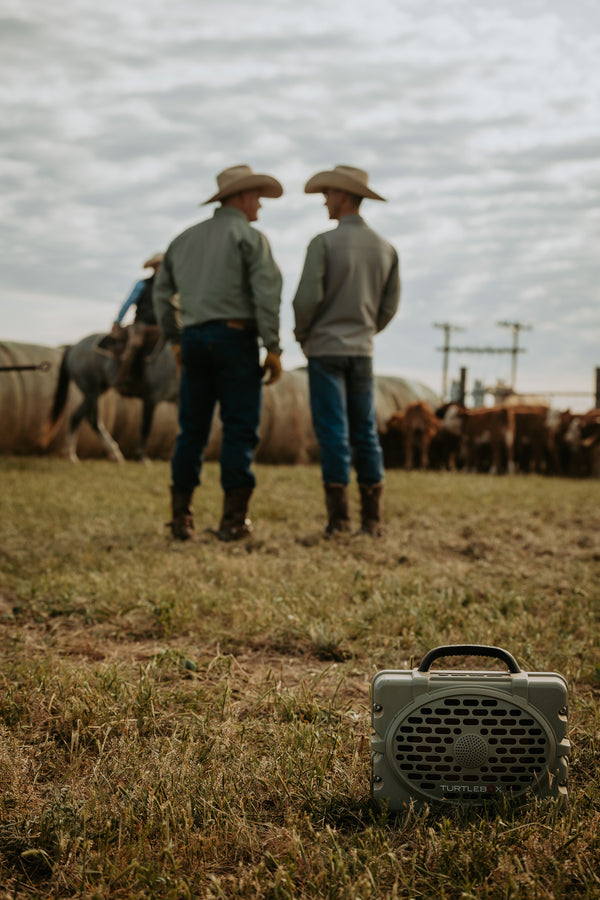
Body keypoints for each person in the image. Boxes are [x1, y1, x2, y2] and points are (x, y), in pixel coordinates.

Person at [153, 164, 284, 542]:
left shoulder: (183, 240)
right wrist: (272, 347)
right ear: (241, 197)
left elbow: (163, 295)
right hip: (235, 340)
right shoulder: (250, 238)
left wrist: (175, 338)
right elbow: (266, 295)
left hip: (193, 340)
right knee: (240, 428)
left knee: (190, 429)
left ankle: (181, 520)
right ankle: (233, 522)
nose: (260, 203)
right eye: (257, 195)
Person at [293, 165, 401, 536]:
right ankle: (372, 520)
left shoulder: (322, 244)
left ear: (343, 196)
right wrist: (367, 330)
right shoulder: (386, 249)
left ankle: (339, 521)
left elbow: (306, 299)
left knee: (333, 432)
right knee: (365, 432)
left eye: (327, 194)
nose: (324, 201)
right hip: (362, 350)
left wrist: (303, 335)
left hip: (325, 348)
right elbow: (388, 307)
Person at [112, 253, 163, 391]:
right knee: (135, 345)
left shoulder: (170, 286)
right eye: (158, 265)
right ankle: (122, 379)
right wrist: (118, 321)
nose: (160, 268)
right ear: (153, 267)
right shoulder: (143, 284)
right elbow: (128, 303)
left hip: (161, 326)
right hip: (142, 324)